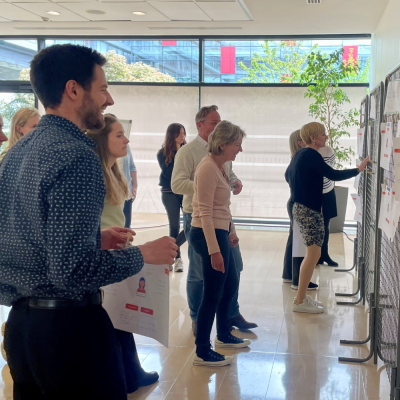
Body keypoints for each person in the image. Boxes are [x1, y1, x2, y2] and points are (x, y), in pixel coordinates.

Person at [0, 44, 177, 400]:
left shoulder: (18, 151)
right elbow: (73, 272)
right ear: (73, 90)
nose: (108, 100)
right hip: (68, 334)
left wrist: (93, 239)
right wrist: (143, 254)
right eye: (103, 89)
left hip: (20, 329)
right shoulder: (77, 156)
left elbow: (24, 237)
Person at [86, 113, 159, 393]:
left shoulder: (114, 169)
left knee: (121, 318)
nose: (126, 139)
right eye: (119, 135)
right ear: (103, 140)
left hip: (117, 255)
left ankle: (130, 372)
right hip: (102, 259)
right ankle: (126, 374)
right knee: (114, 321)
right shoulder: (94, 173)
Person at [171, 105, 257, 335]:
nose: (217, 125)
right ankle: (198, 317)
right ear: (199, 125)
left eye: (219, 121)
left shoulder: (224, 150)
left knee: (233, 268)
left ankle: (230, 313)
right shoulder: (188, 152)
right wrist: (204, 187)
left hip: (221, 218)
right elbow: (177, 184)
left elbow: (227, 174)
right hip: (198, 217)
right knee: (200, 273)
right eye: (212, 122)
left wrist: (234, 181)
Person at [285, 122, 369, 314]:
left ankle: (302, 298)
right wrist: (358, 169)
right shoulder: (311, 154)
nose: (326, 138)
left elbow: (288, 175)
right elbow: (332, 175)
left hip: (302, 207)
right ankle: (300, 301)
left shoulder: (300, 153)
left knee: (312, 253)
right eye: (323, 135)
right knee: (313, 254)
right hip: (308, 209)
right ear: (313, 138)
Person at [191, 120, 251, 367]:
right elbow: (204, 211)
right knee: (212, 293)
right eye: (237, 144)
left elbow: (222, 206)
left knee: (230, 284)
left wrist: (231, 231)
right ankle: (202, 351)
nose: (240, 149)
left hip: (220, 231)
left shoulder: (222, 166)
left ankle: (224, 334)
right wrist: (214, 250)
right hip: (207, 235)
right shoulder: (206, 168)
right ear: (223, 144)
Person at [282, 130, 319, 289]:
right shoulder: (300, 161)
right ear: (300, 142)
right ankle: (297, 278)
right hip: (299, 204)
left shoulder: (295, 160)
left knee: (294, 240)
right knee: (298, 243)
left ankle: (289, 275)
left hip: (294, 202)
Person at [157, 123, 187, 272]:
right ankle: (178, 259)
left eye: (184, 133)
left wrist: (182, 152)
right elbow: (171, 173)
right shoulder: (162, 153)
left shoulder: (187, 151)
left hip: (185, 192)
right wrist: (179, 153)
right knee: (174, 226)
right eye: (179, 134)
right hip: (169, 192)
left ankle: (169, 252)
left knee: (191, 225)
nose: (182, 137)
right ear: (172, 135)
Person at [318, 145, 339, 266]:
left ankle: (324, 254)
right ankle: (315, 256)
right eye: (322, 134)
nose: (326, 137)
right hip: (314, 192)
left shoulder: (328, 150)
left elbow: (328, 173)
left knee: (325, 225)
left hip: (328, 191)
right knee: (315, 227)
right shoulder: (308, 151)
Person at [120, 145, 138, 228]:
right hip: (113, 194)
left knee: (127, 226)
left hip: (127, 192)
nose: (126, 140)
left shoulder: (126, 146)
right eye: (119, 135)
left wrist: (135, 186)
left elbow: (132, 167)